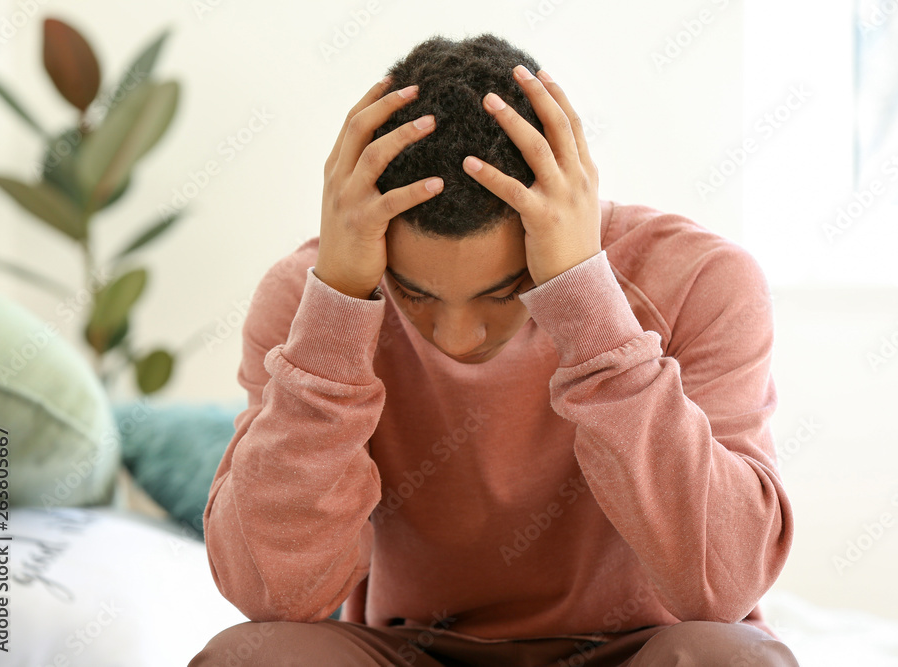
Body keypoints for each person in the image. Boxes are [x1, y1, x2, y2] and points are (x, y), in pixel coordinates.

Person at [188, 33, 799, 666]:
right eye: (415, 294)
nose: (456, 340)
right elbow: (273, 595)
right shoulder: (309, 299)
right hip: (418, 650)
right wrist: (339, 308)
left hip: (635, 650)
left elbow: (721, 587)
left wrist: (586, 301)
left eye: (504, 293)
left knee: (732, 661)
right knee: (247, 658)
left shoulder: (701, 279)